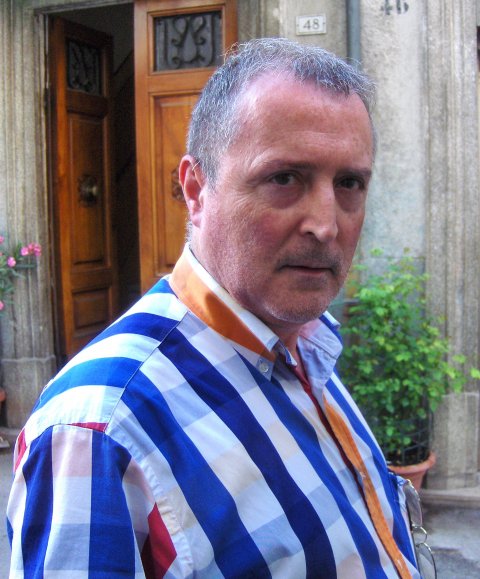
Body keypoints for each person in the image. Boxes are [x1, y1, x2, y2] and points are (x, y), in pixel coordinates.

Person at [7, 38, 421, 578]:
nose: (326, 224)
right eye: (284, 178)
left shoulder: (304, 342)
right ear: (196, 190)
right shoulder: (98, 430)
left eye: (349, 183)